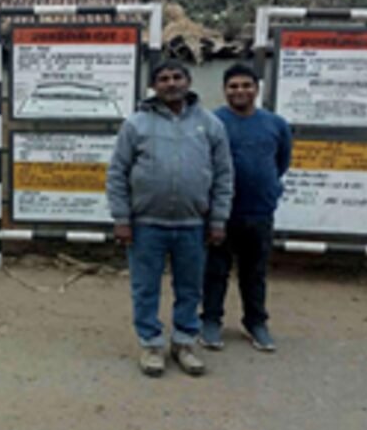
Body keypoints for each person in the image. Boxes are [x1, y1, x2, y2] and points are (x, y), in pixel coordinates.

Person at [107, 59, 233, 379]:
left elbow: (223, 175)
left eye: (177, 77)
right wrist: (121, 218)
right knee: (145, 287)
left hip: (193, 225)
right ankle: (151, 344)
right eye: (163, 78)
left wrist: (218, 220)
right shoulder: (135, 124)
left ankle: (184, 343)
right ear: (154, 86)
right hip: (145, 224)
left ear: (189, 81)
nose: (171, 83)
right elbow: (117, 173)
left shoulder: (210, 124)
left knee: (190, 288)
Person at [200, 64, 292, 354]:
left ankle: (256, 323)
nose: (240, 91)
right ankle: (211, 321)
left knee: (254, 273)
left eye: (246, 85)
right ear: (225, 90)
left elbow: (282, 162)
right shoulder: (212, 122)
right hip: (221, 213)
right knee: (215, 270)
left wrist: (266, 188)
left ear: (256, 88)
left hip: (259, 212)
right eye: (233, 86)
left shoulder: (276, 124)